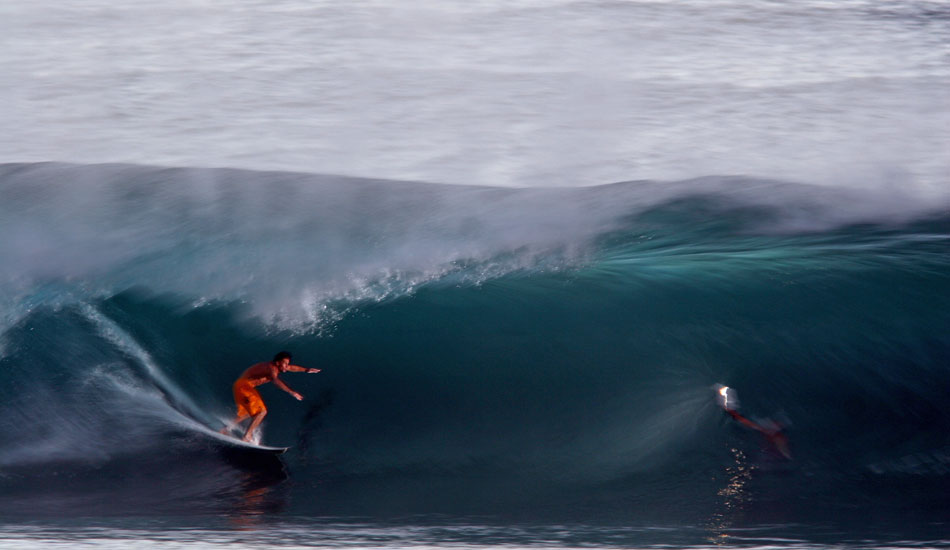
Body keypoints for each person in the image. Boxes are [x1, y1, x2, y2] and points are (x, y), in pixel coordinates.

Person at [221, 351, 321, 442]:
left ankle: (225, 429)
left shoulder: (278, 367)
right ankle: (247, 436)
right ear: (278, 363)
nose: (287, 366)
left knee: (247, 413)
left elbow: (292, 368)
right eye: (285, 363)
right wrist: (292, 392)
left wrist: (306, 370)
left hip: (240, 386)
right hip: (244, 387)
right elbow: (276, 381)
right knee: (262, 412)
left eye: (287, 363)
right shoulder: (271, 368)